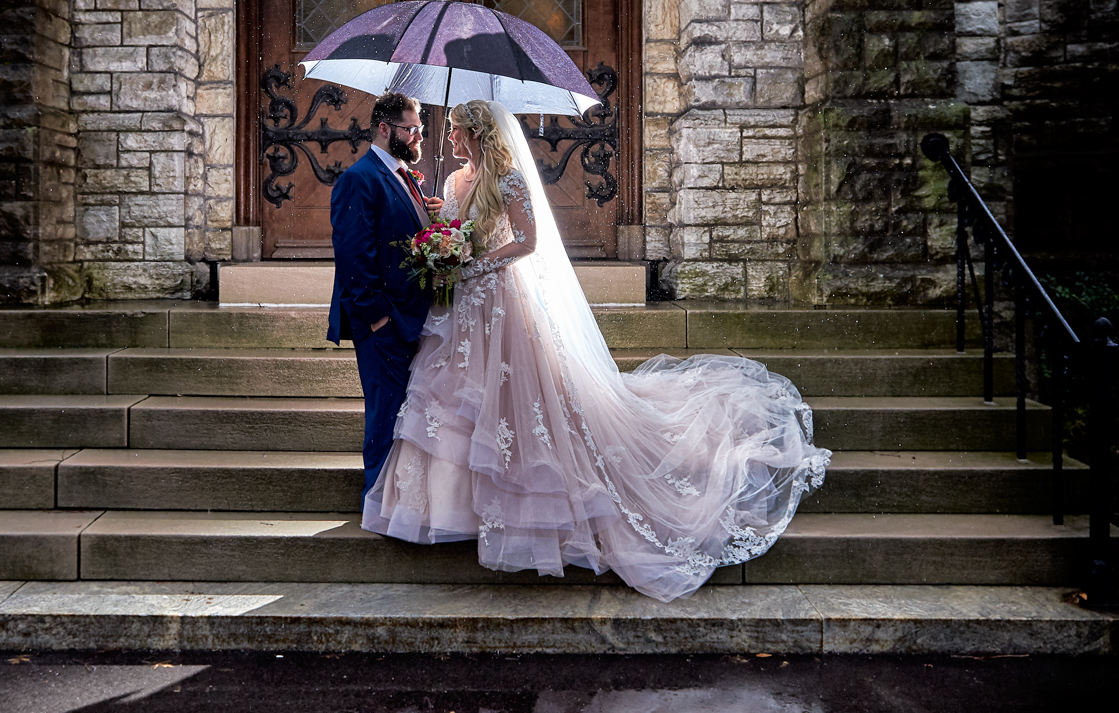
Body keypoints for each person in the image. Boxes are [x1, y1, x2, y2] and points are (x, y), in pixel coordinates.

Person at [362, 99, 830, 601]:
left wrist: (474, 263)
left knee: (517, 401)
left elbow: (527, 241)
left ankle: (529, 504)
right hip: (462, 312)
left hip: (502, 301)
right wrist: (444, 232)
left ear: (479, 134)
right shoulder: (453, 183)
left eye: (457, 132)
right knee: (453, 403)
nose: (449, 140)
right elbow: (460, 230)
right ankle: (454, 509)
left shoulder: (512, 180)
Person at [327, 90, 444, 499]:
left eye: (420, 130)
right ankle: (374, 501)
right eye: (410, 129)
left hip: (411, 318)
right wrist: (377, 316)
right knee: (384, 414)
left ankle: (400, 502)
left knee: (404, 412)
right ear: (383, 127)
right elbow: (354, 255)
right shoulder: (358, 179)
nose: (418, 138)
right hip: (383, 321)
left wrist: (431, 215)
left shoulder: (403, 175)